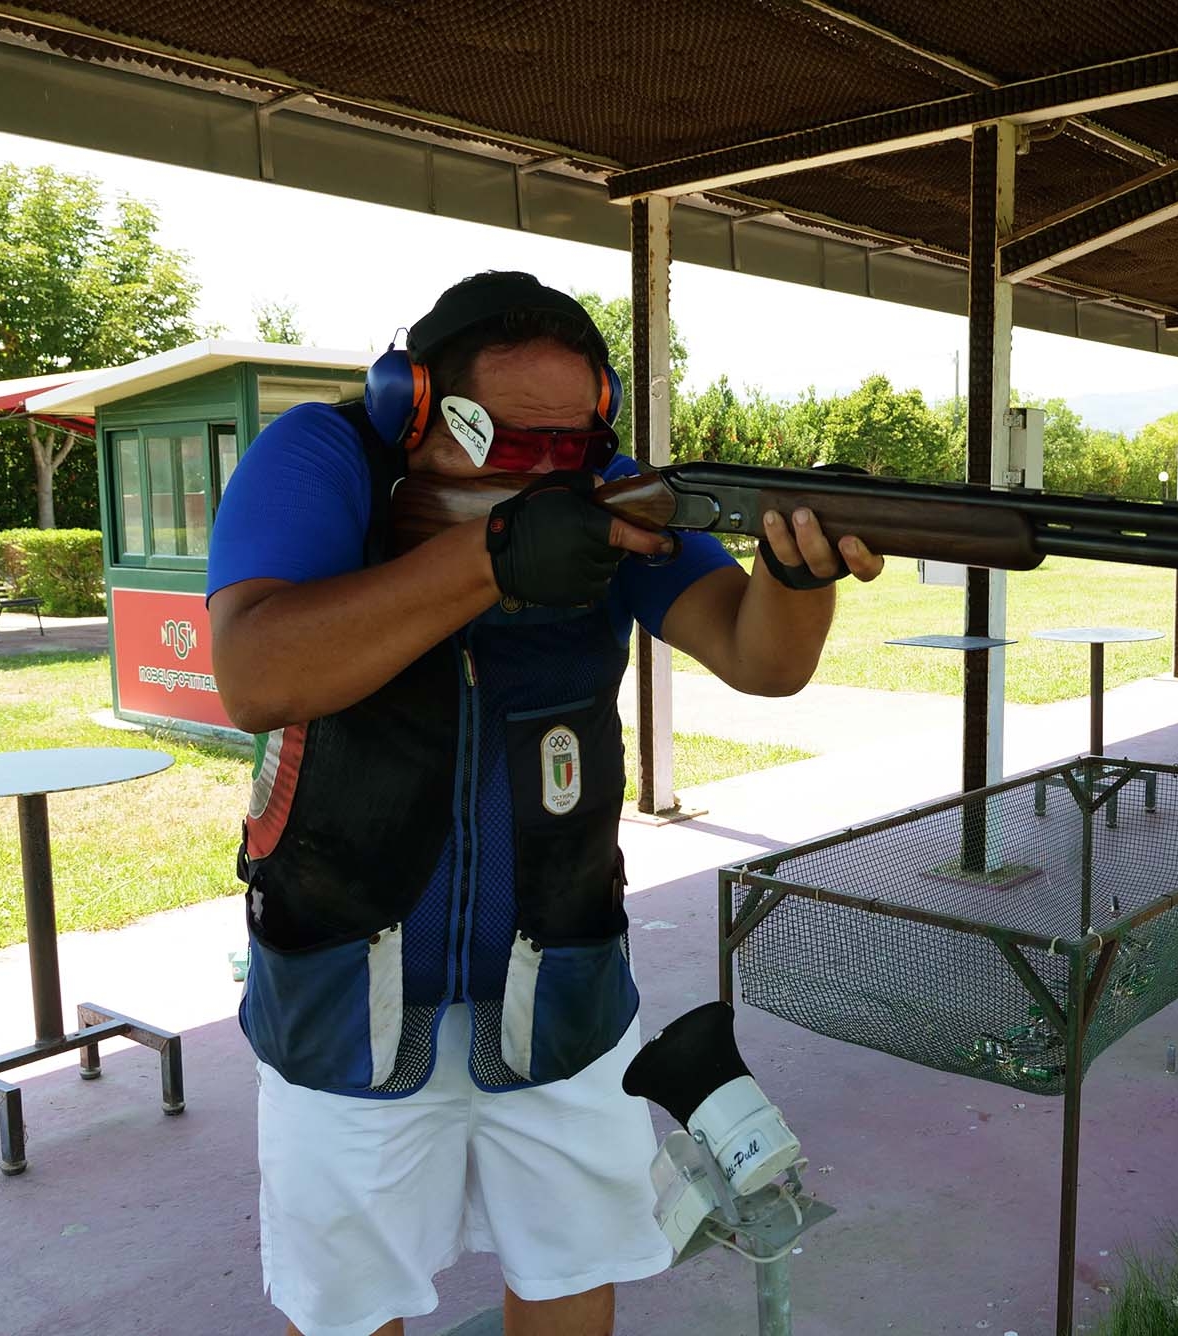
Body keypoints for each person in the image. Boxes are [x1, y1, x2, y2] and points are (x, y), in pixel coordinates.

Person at [206, 270, 884, 1336]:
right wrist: (491, 559)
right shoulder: (325, 456)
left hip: (560, 972)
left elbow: (756, 658)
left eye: (569, 448)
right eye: (503, 441)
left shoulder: (608, 497)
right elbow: (254, 670)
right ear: (411, 406)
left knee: (572, 1269)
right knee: (346, 1311)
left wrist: (796, 579)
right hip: (344, 984)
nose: (547, 471)